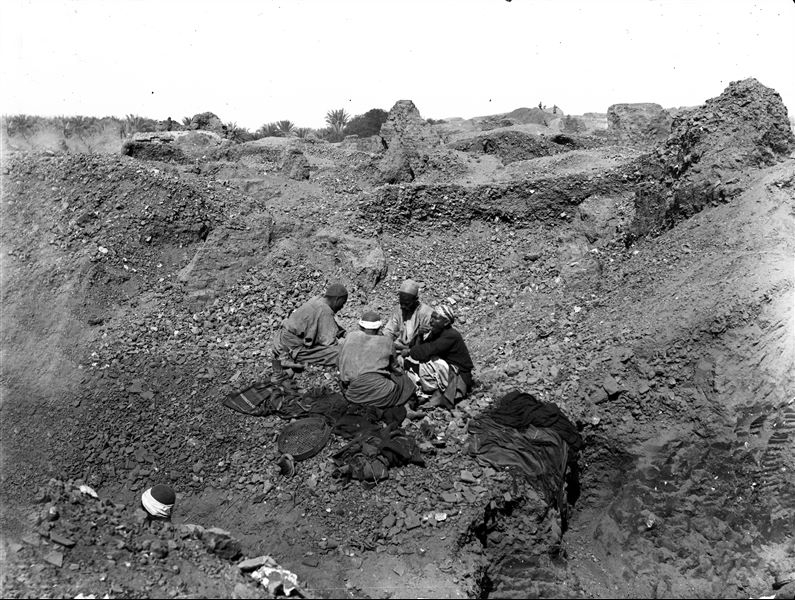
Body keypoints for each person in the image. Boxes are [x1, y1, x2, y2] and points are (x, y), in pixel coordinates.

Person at [337, 310, 416, 409]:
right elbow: (396, 368)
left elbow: (340, 362)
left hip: (353, 396)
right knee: (403, 379)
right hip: (381, 396)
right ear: (379, 328)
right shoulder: (387, 341)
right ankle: (407, 407)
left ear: (360, 326)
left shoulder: (350, 337)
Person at [400, 304, 474, 408]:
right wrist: (420, 335)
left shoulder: (451, 335)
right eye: (432, 317)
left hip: (459, 374)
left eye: (436, 318)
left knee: (430, 361)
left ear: (446, 322)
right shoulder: (436, 332)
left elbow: (427, 350)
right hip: (445, 371)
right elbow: (421, 349)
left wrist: (409, 351)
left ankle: (432, 392)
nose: (431, 321)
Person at [272, 283, 348, 370]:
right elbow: (329, 342)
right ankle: (290, 361)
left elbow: (326, 321)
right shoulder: (325, 310)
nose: (341, 307)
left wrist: (342, 332)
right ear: (337, 299)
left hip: (283, 339)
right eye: (342, 303)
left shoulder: (317, 300)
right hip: (295, 347)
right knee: (339, 353)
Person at [382, 279, 434, 352]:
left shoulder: (426, 313)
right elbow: (390, 330)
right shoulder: (398, 309)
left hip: (417, 350)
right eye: (401, 303)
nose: (403, 306)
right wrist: (386, 339)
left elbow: (427, 339)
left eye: (407, 304)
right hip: (398, 347)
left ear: (416, 300)